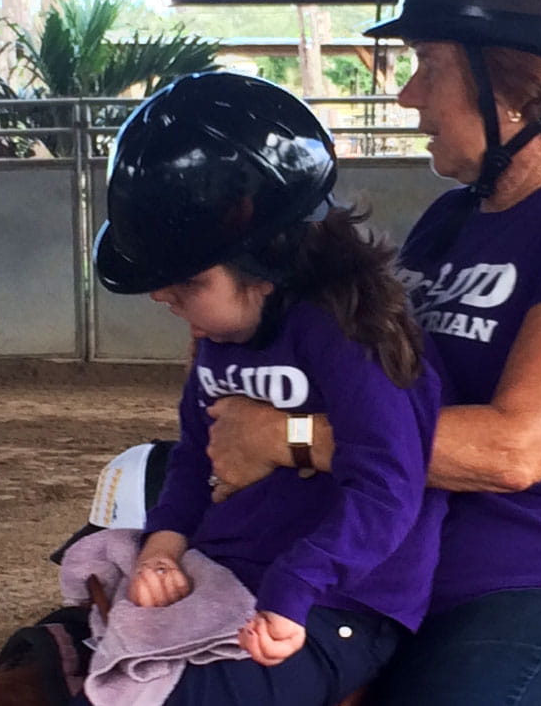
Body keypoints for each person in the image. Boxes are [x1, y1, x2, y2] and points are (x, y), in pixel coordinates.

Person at [202, 0, 541, 704]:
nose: (406, 96)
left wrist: (286, 437)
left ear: (511, 83)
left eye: (427, 64)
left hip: (536, 574)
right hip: (403, 560)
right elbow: (377, 382)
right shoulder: (450, 219)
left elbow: (515, 447)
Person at [71, 70, 448, 706]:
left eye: (186, 282)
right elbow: (196, 456)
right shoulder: (224, 336)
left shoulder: (347, 336)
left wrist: (294, 588)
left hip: (341, 601)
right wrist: (162, 549)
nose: (163, 296)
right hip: (233, 573)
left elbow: (387, 489)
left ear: (267, 263)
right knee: (57, 658)